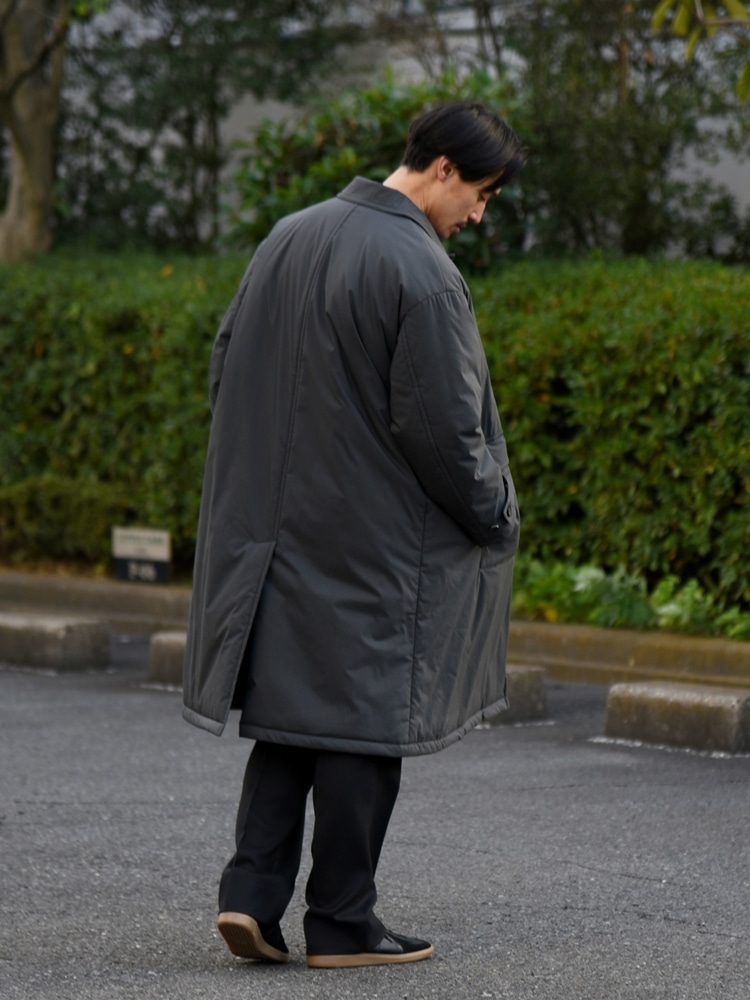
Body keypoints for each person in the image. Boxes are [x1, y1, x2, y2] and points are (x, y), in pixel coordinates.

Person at [182, 101, 526, 969]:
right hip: (376, 542)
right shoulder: (419, 267)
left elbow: (226, 367)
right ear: (442, 168)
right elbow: (443, 430)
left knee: (290, 717)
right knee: (366, 728)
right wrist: (496, 511)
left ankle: (249, 898)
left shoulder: (288, 236)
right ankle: (342, 922)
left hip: (279, 530)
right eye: (481, 193)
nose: (478, 214)